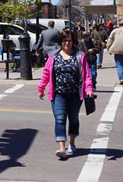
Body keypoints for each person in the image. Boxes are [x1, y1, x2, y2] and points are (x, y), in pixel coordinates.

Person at [37, 29, 94, 160]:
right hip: (58, 94)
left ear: (73, 41)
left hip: (75, 94)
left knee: (73, 119)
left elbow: (87, 75)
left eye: (69, 40)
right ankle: (62, 149)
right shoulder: (53, 56)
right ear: (60, 42)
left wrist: (89, 90)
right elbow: (46, 73)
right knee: (60, 119)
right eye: (64, 40)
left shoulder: (80, 55)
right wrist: (41, 88)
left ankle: (72, 142)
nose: (66, 43)